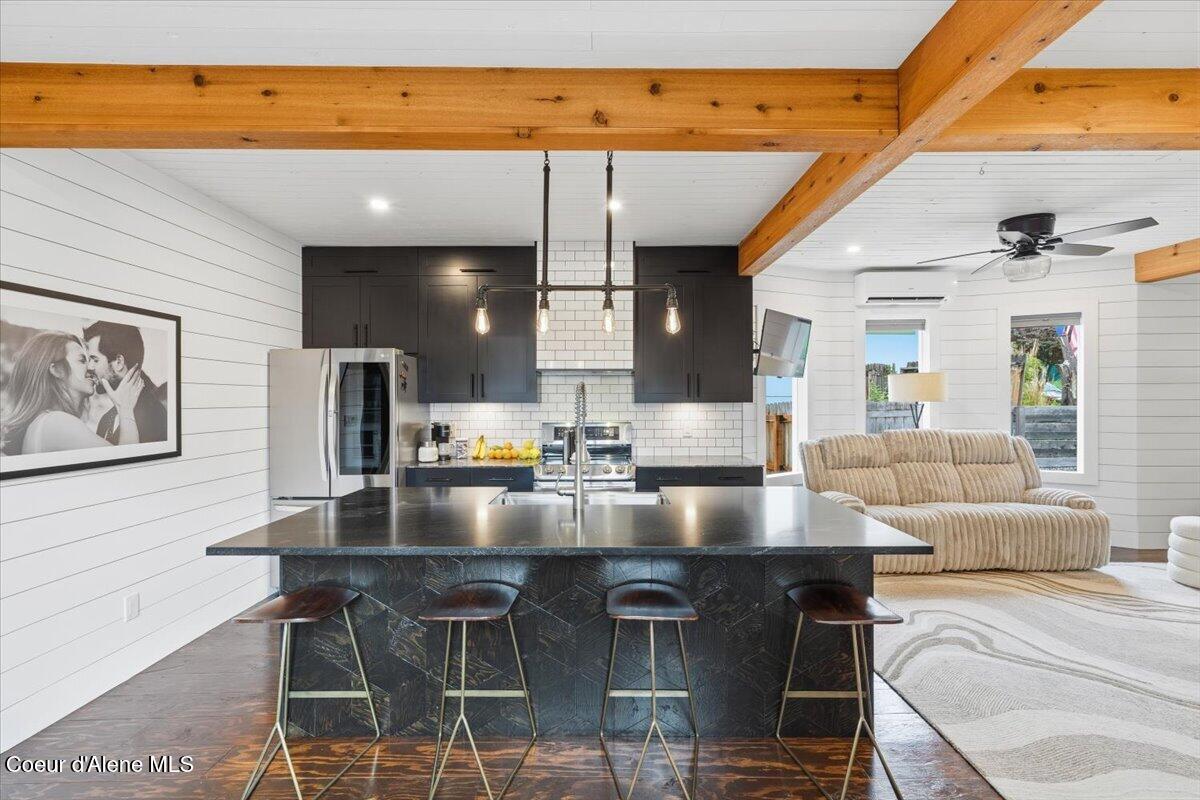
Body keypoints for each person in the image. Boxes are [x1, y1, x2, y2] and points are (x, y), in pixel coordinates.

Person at [0, 331, 144, 455]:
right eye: (82, 360)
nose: (91, 367)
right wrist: (125, 410)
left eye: (91, 360)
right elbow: (125, 465)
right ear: (57, 370)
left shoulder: (45, 421)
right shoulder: (56, 422)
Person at [83, 321, 166, 445]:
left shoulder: (154, 416)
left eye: (95, 359)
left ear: (119, 362)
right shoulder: (106, 419)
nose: (89, 367)